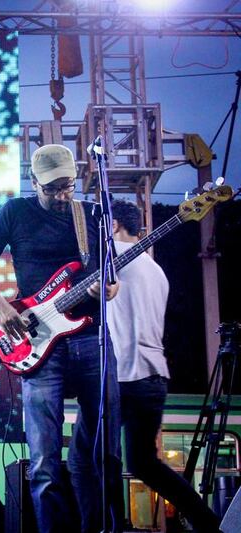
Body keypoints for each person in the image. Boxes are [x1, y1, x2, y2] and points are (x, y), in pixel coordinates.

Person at [0, 144, 124, 532]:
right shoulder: (15, 213)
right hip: (38, 342)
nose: (61, 196)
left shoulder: (91, 214)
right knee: (43, 462)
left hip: (91, 339)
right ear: (34, 181)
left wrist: (108, 289)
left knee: (106, 453)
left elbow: (109, 278)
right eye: (52, 188)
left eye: (68, 186)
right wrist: (1, 307)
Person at [108, 199, 220, 533]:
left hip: (123, 374)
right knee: (145, 464)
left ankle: (110, 526)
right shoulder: (157, 272)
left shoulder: (109, 254)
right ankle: (207, 523)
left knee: (97, 460)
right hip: (154, 375)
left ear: (112, 225)